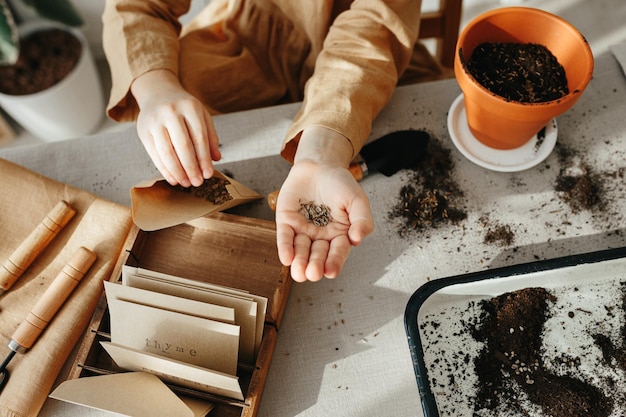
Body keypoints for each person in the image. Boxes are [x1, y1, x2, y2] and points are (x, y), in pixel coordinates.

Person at [102, 0, 444, 282]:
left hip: (364, 57)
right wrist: (156, 87)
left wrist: (321, 152)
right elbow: (134, 7)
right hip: (246, 40)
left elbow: (374, 22)